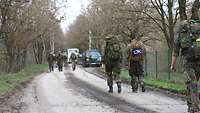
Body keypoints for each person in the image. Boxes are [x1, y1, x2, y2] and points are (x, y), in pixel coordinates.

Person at [170, 20, 200, 113]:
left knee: (191, 83)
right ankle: (191, 106)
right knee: (193, 84)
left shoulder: (180, 34)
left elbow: (175, 51)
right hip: (198, 60)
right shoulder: (197, 31)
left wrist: (172, 65)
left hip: (187, 61)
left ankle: (194, 107)